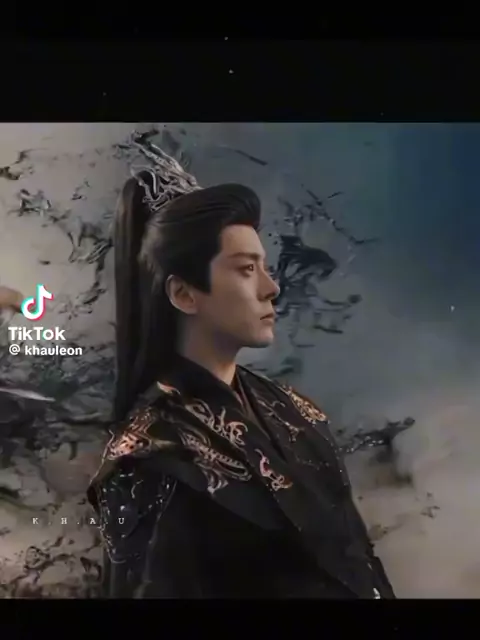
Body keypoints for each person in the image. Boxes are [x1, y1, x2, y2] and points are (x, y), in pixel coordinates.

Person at [87, 145, 395, 599]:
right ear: (184, 294)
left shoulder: (295, 411)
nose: (272, 288)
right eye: (247, 269)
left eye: (264, 267)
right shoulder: (150, 459)